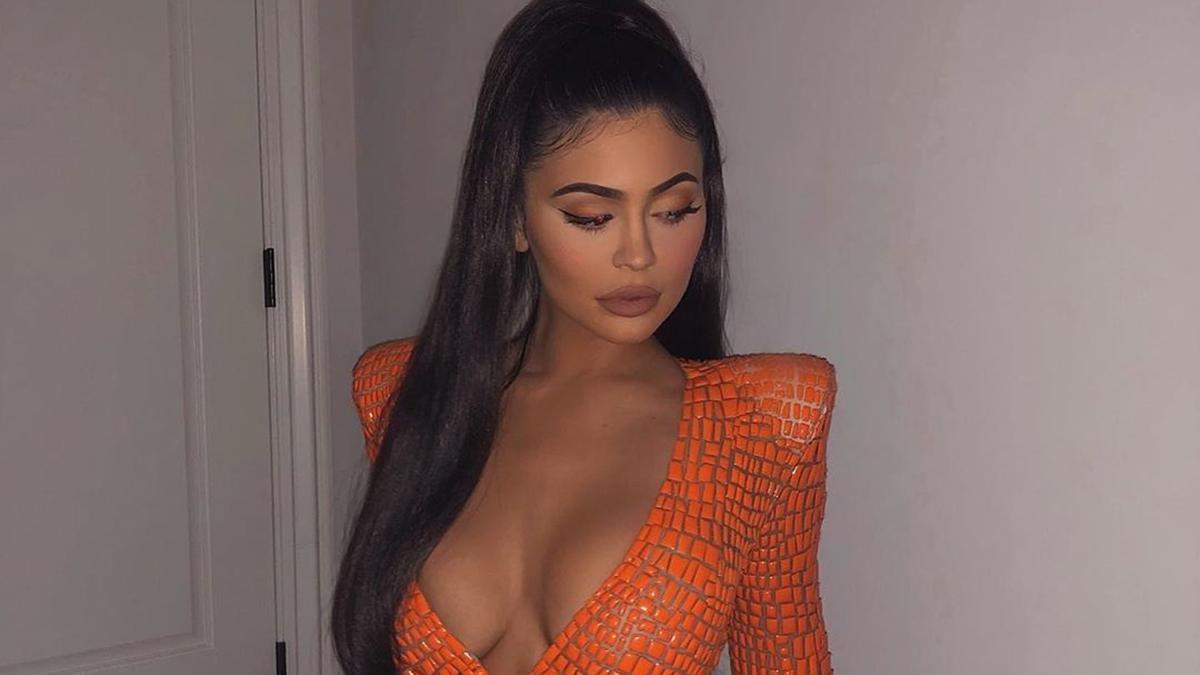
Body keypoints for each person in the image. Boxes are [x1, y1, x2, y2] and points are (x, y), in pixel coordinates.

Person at [331, 1, 838, 673]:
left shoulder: (765, 421)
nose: (639, 254)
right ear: (514, 218)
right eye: (592, 216)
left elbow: (786, 659)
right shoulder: (401, 389)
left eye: (674, 210)